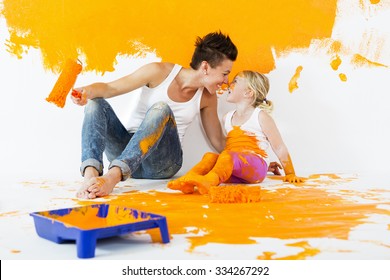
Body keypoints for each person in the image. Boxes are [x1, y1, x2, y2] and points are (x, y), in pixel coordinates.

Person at [71, 31, 238, 199]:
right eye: (225, 73)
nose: (226, 80)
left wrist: (254, 158)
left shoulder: (207, 97)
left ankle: (111, 178)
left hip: (162, 163)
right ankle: (90, 178)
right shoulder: (158, 72)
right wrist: (87, 91)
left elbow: (218, 140)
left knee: (161, 109)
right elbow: (110, 88)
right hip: (126, 154)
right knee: (95, 103)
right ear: (205, 67)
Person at [168, 70, 304, 195]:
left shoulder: (261, 116)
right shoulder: (227, 117)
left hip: (256, 168)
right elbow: (237, 159)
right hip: (235, 171)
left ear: (248, 93)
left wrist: (290, 173)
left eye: (235, 81)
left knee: (226, 155)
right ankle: (187, 181)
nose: (229, 84)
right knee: (210, 156)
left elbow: (279, 147)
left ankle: (209, 182)